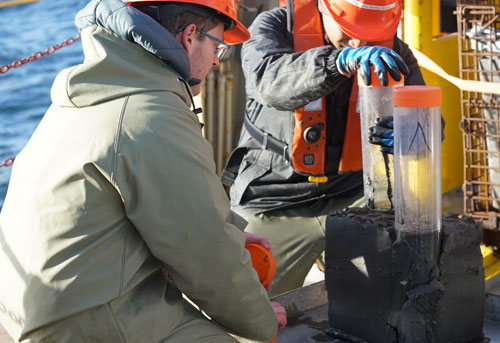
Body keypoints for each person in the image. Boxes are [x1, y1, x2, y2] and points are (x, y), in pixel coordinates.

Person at [0, 0, 286, 342]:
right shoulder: (152, 115)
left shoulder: (83, 99)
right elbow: (205, 255)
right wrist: (262, 323)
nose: (215, 60)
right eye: (218, 46)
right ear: (190, 37)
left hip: (33, 312)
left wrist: (231, 235)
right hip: (86, 324)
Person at [222, 0, 427, 296]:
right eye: (348, 31)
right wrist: (337, 62)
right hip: (274, 200)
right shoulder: (274, 27)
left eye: (368, 35)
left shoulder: (394, 52)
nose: (358, 42)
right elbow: (269, 83)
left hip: (354, 196)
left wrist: (411, 134)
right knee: (246, 304)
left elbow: (430, 125)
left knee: (386, 295)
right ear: (323, 8)